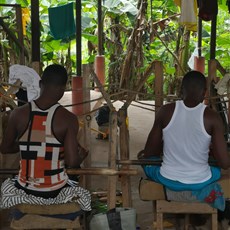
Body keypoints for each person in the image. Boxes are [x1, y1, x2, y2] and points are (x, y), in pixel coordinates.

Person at [0, 64, 91, 211]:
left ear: (41, 84)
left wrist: (29, 142)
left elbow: (5, 148)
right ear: (63, 88)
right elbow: (72, 161)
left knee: (12, 182)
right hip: (56, 192)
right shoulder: (68, 119)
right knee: (81, 190)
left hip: (25, 190)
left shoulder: (17, 114)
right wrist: (81, 156)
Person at [138, 71, 230, 207]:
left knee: (145, 159)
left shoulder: (165, 111)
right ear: (205, 92)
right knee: (215, 171)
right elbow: (224, 163)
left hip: (168, 179)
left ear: (181, 89)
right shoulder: (212, 117)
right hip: (201, 181)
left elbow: (150, 153)